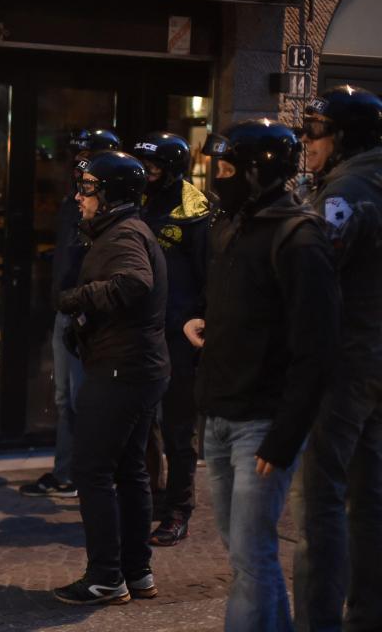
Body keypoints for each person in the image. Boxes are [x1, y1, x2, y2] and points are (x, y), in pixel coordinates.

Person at [186, 120, 339, 631]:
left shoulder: (298, 238)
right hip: (222, 414)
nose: (217, 178)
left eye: (227, 169)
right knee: (244, 555)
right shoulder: (230, 226)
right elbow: (244, 309)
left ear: (258, 172)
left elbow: (315, 349)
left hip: (261, 425)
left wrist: (283, 436)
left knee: (251, 559)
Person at [52, 151, 170, 605]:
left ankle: (105, 576)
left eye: (88, 189)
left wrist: (80, 299)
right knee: (129, 469)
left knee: (94, 470)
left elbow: (134, 283)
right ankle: (136, 572)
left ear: (111, 196)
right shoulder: (126, 230)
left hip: (122, 370)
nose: (80, 198)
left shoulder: (123, 234)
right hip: (136, 366)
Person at [292, 85, 382, 632]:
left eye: (316, 131)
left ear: (344, 136)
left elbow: (310, 273)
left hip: (346, 362)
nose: (306, 141)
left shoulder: (347, 188)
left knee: (320, 505)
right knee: (370, 496)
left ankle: (318, 623)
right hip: (375, 358)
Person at [20, 128, 119, 499]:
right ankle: (67, 473)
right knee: (65, 398)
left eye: (84, 156)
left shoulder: (108, 210)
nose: (76, 165)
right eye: (74, 156)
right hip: (66, 309)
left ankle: (87, 475)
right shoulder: (72, 201)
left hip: (87, 315)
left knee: (82, 399)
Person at [133, 132, 210, 545]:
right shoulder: (138, 202)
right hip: (143, 329)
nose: (147, 175)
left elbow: (206, 276)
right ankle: (155, 496)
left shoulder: (196, 212)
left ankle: (180, 509)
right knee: (145, 423)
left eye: (154, 168)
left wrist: (198, 320)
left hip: (178, 333)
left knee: (180, 428)